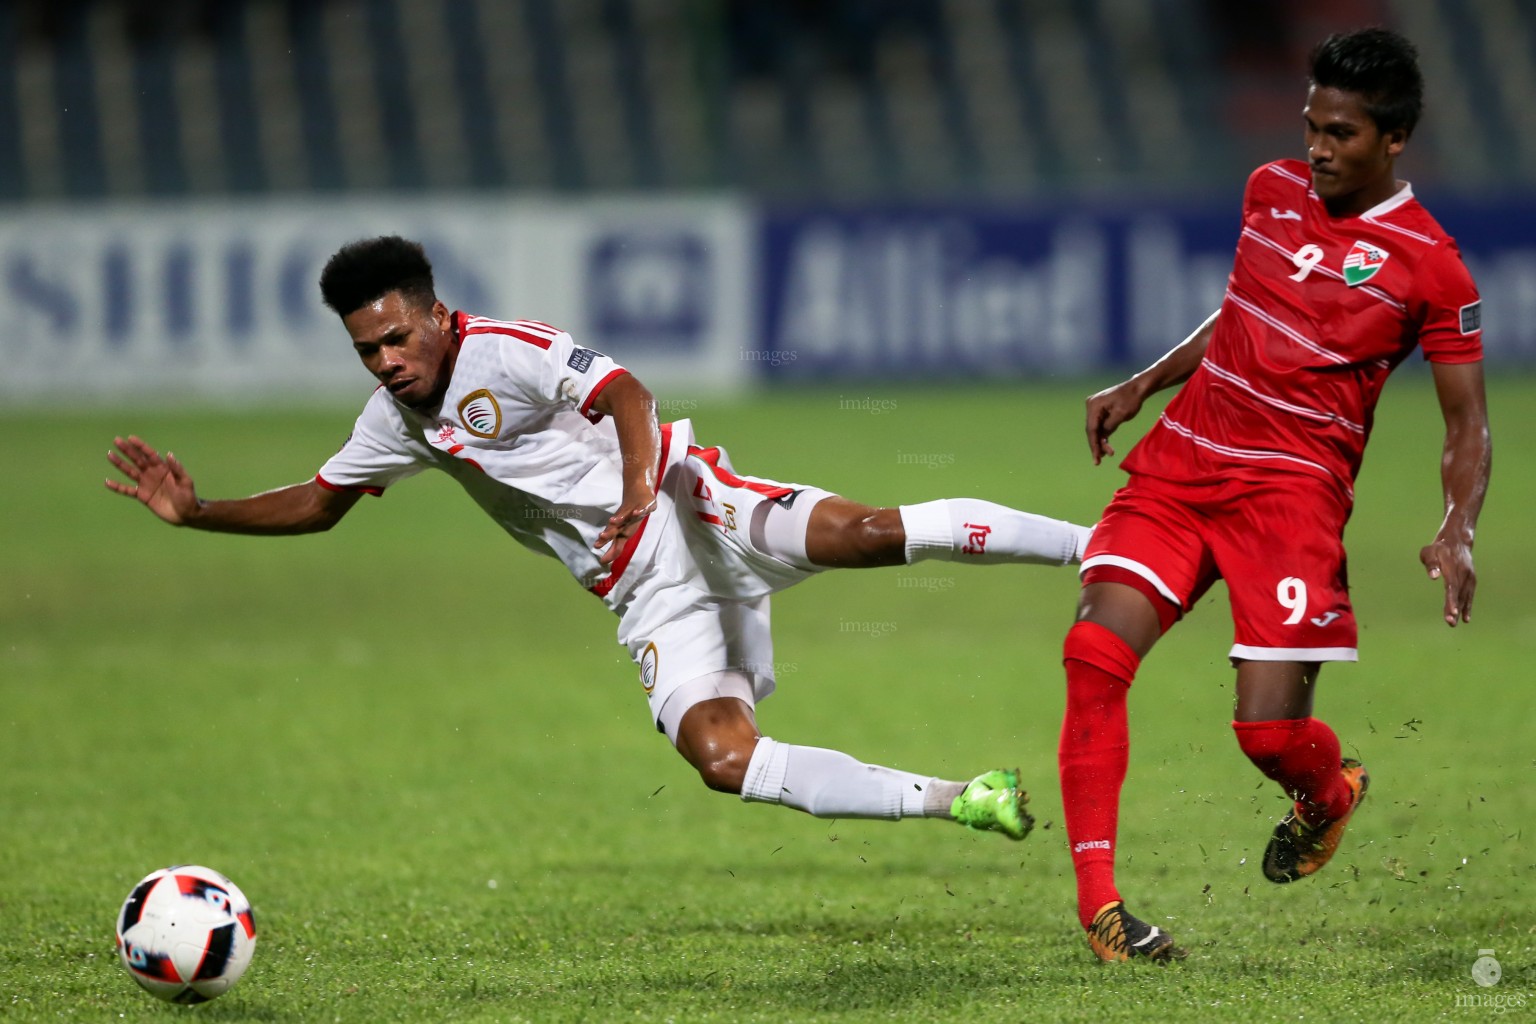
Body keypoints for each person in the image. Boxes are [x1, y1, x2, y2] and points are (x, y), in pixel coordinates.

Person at [105, 234, 1093, 844]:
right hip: (643, 591)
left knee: (872, 531)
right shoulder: (394, 420)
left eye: (399, 337)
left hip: (685, 504)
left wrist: (635, 487)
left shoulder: (506, 349)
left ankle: (1097, 546)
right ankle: (962, 798)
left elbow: (626, 394)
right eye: (368, 349)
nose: (388, 360)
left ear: (438, 316)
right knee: (721, 757)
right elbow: (321, 501)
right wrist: (199, 512)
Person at [1058, 27, 1492, 961]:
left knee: (1268, 735)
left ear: (1394, 138)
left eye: (1341, 133)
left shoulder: (1433, 265)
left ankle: (1329, 793)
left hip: (1292, 500)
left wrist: (1456, 530)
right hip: (1186, 463)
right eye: (1311, 126)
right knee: (1094, 652)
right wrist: (1143, 384)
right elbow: (1244, 308)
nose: (1318, 148)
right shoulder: (1270, 189)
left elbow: (1468, 424)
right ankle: (1102, 910)